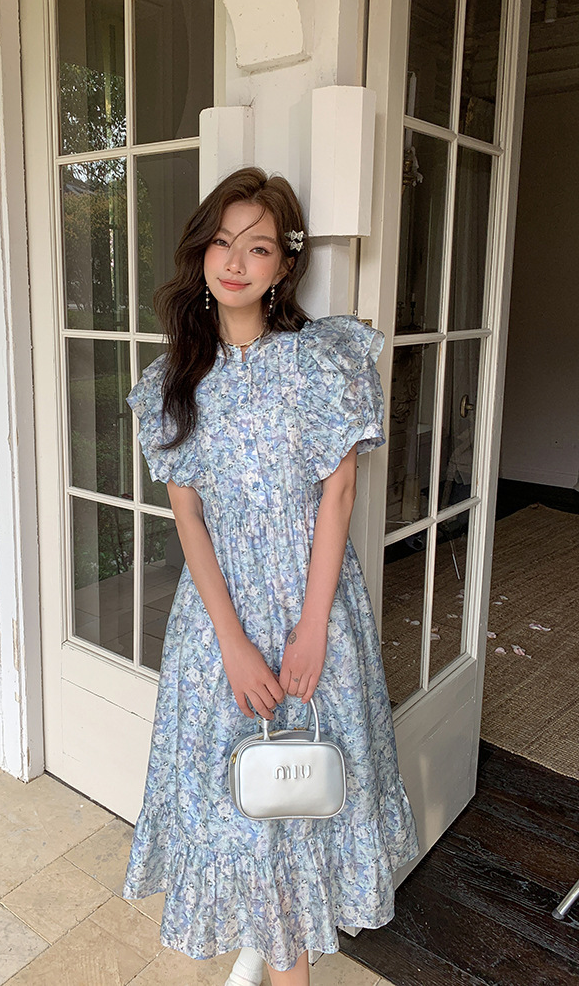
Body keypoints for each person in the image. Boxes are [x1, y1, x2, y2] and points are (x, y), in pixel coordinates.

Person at [121, 167, 418, 985]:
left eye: (256, 247)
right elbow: (189, 518)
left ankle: (280, 952)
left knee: (304, 782)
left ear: (285, 264)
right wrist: (232, 643)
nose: (234, 261)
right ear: (200, 253)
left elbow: (338, 493)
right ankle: (265, 940)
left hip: (311, 600)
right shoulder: (174, 380)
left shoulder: (320, 361)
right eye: (221, 241)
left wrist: (313, 626)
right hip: (220, 614)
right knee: (237, 788)